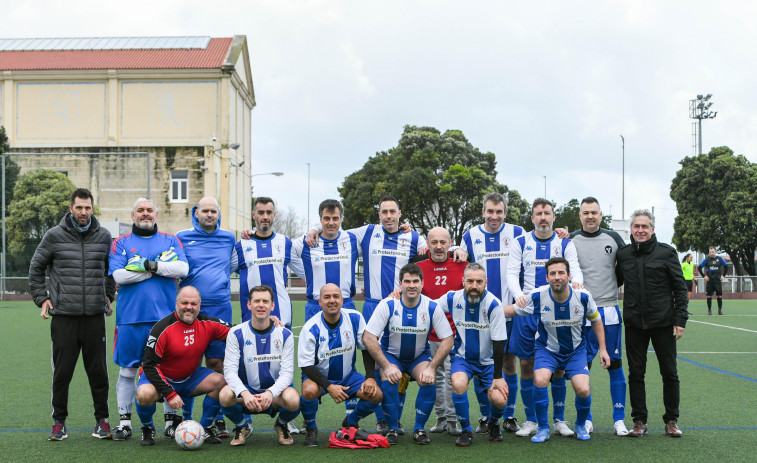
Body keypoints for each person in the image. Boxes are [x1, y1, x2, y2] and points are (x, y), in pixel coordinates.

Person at [29, 188, 116, 441]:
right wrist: (42, 298)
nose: (83, 212)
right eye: (79, 207)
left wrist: (108, 296)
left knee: (98, 371)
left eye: (88, 207)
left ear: (92, 208)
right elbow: (36, 268)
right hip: (64, 316)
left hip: (93, 318)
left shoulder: (104, 236)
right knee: (62, 372)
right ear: (71, 208)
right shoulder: (54, 236)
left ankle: (102, 421)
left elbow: (111, 271)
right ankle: (59, 422)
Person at [503, 257, 610, 443]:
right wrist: (486, 310)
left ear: (569, 276)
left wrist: (603, 350)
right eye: (552, 273)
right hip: (547, 350)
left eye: (561, 273)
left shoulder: (583, 296)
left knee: (583, 389)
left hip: (575, 351)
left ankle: (580, 424)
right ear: (547, 278)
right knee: (540, 378)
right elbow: (511, 310)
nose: (557, 277)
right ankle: (543, 428)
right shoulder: (537, 296)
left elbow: (596, 320)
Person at [109, 197, 189, 441]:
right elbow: (119, 276)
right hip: (130, 319)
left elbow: (182, 270)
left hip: (165, 321)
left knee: (166, 370)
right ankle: (124, 422)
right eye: (140, 210)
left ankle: (171, 421)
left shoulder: (170, 240)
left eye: (149, 210)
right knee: (128, 371)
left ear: (157, 214)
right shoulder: (120, 243)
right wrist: (157, 268)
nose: (145, 214)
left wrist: (144, 266)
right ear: (132, 215)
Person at [506, 198, 583, 438]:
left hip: (558, 309)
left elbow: (575, 268)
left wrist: (578, 282)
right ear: (532, 218)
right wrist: (518, 295)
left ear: (553, 217)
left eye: (547, 213)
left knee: (558, 368)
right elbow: (511, 272)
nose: (542, 218)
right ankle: (531, 419)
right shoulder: (521, 241)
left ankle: (559, 419)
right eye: (538, 214)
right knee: (527, 364)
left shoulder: (564, 243)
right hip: (529, 310)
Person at [363, 263, 454, 445]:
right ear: (400, 284)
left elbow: (448, 339)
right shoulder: (388, 304)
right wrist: (386, 366)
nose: (411, 285)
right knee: (390, 382)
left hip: (419, 357)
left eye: (415, 281)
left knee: (429, 381)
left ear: (422, 283)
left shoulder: (431, 307)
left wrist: (431, 367)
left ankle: (419, 429)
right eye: (407, 281)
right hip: (391, 356)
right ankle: (392, 429)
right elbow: (368, 337)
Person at [616, 209, 688, 438]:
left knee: (669, 373)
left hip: (663, 323)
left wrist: (680, 320)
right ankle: (639, 422)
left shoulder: (667, 253)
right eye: (636, 226)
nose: (640, 230)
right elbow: (614, 280)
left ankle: (671, 421)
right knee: (636, 374)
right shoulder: (624, 254)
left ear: (653, 229)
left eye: (644, 226)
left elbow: (680, 288)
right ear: (631, 229)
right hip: (634, 324)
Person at [460, 192, 524, 434]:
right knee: (480, 363)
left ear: (505, 213)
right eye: (490, 211)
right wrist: (457, 248)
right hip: (480, 314)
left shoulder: (518, 233)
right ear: (483, 211)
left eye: (499, 212)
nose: (494, 216)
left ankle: (509, 415)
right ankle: (486, 417)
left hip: (510, 312)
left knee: (509, 362)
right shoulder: (470, 236)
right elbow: (461, 262)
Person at [135, 286, 230, 446]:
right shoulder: (161, 328)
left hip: (189, 378)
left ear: (199, 305)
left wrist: (268, 323)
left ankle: (204, 428)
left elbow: (237, 332)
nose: (189, 307)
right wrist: (169, 393)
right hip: (161, 378)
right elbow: (149, 366)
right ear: (176, 304)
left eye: (194, 304)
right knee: (144, 394)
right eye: (184, 302)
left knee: (221, 382)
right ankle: (147, 428)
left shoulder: (207, 323)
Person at [176, 196, 236, 437]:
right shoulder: (181, 237)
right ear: (196, 213)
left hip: (220, 307)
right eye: (205, 211)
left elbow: (232, 265)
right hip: (191, 309)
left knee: (216, 363)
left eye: (214, 211)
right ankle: (186, 419)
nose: (210, 215)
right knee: (187, 364)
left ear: (218, 214)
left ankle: (216, 419)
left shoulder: (229, 238)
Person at [569, 197, 629, 436]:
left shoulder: (613, 238)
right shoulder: (571, 239)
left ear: (601, 214)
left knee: (615, 365)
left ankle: (619, 419)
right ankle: (586, 419)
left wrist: (610, 288)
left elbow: (624, 269)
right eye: (586, 212)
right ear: (580, 215)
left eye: (594, 212)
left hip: (608, 309)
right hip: (579, 311)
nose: (590, 216)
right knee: (583, 367)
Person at [298, 284, 383, 447]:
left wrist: (370, 377)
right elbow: (306, 365)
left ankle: (350, 421)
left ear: (342, 300)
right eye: (327, 297)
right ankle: (311, 427)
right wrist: (329, 386)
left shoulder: (355, 318)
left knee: (376, 395)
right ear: (320, 302)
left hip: (348, 376)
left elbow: (366, 349)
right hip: (319, 378)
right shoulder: (311, 328)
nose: (332, 301)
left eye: (336, 296)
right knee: (309, 391)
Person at [433, 263, 508, 446]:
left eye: (479, 282)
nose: (474, 286)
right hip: (463, 358)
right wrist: (399, 296)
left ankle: (493, 421)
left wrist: (498, 376)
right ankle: (466, 430)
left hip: (489, 361)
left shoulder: (494, 304)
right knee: (457, 383)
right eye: (470, 281)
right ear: (463, 281)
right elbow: (428, 307)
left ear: (486, 283)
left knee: (499, 400)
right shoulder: (452, 298)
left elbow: (499, 342)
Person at [219, 285, 301, 446]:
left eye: (265, 301)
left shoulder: (285, 334)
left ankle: (281, 424)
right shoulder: (236, 333)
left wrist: (270, 393)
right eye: (256, 301)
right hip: (247, 393)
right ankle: (242, 426)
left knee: (293, 399)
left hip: (275, 394)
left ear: (272, 306)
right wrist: (244, 393)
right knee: (225, 395)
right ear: (249, 305)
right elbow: (229, 371)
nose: (261, 305)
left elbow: (287, 374)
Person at [412, 227, 465, 436]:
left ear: (450, 242)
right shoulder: (418, 268)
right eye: (434, 242)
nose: (439, 246)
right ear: (428, 244)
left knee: (452, 377)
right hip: (429, 335)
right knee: (434, 376)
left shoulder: (462, 265)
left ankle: (453, 420)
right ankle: (440, 417)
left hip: (455, 334)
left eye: (443, 242)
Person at [234, 197, 304, 328]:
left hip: (282, 319)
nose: (265, 217)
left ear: (274, 215)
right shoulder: (241, 246)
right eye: (261, 213)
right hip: (251, 320)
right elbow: (223, 272)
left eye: (269, 212)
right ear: (253, 215)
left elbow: (306, 272)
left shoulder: (284, 243)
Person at [292, 199, 360, 321]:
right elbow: (285, 251)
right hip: (316, 306)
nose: (331, 223)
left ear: (341, 219)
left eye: (335, 218)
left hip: (345, 305)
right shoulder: (307, 241)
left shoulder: (352, 239)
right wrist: (307, 274)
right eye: (326, 218)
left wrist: (405, 229)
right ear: (320, 219)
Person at [698, 247, 728, 315]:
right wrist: (704, 276)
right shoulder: (706, 259)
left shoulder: (720, 259)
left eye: (712, 252)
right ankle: (709, 310)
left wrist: (723, 275)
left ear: (715, 252)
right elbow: (699, 267)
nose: (711, 253)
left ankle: (720, 310)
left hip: (717, 281)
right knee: (709, 296)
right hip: (710, 281)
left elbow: (726, 266)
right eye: (710, 252)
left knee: (719, 296)